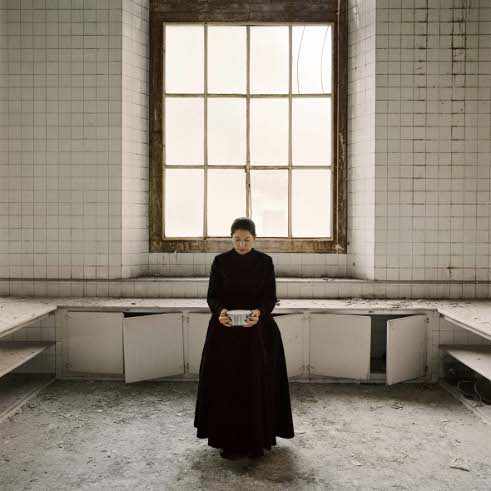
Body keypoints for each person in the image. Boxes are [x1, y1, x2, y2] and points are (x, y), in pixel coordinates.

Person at [194, 217, 295, 460]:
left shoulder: (265, 262)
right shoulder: (220, 262)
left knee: (256, 383)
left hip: (258, 333)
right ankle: (226, 440)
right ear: (231, 239)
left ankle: (257, 440)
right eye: (237, 240)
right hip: (224, 331)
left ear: (254, 239)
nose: (241, 244)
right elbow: (212, 296)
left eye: (246, 240)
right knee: (227, 384)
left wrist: (259, 313)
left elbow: (269, 297)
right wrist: (220, 313)